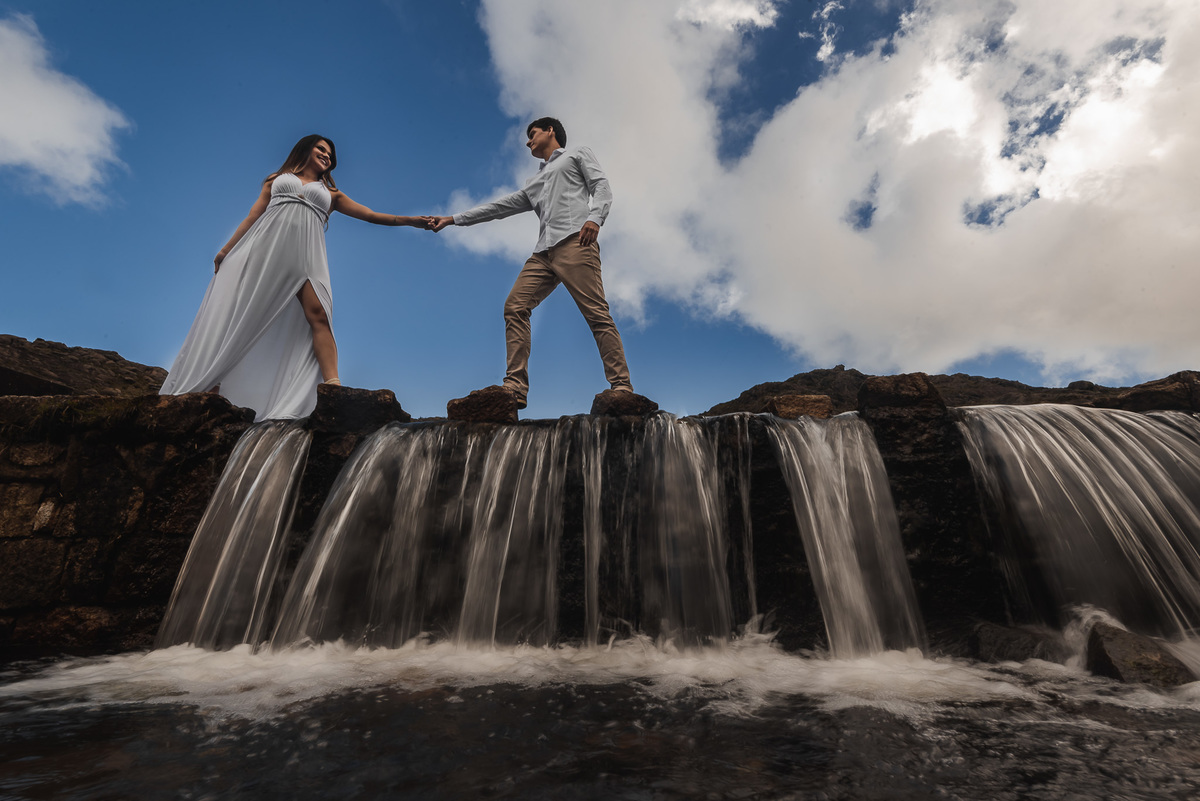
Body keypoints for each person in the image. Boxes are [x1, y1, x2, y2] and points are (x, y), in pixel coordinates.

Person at [160, 135, 431, 421]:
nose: (327, 156)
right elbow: (252, 217)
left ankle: (332, 387)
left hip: (306, 259)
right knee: (240, 316)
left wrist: (412, 220)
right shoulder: (276, 180)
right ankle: (212, 383)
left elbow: (371, 215)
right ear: (306, 149)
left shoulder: (332, 195)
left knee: (319, 315)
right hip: (265, 253)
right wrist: (225, 250)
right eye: (321, 149)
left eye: (330, 155)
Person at [429, 117, 633, 409]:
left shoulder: (577, 154)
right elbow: (498, 207)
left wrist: (595, 218)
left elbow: (601, 187)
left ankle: (622, 385)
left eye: (532, 134)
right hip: (542, 255)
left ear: (550, 131)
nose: (528, 141)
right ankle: (514, 386)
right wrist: (452, 219)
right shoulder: (534, 182)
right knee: (514, 307)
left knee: (596, 314)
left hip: (577, 240)